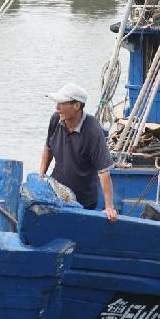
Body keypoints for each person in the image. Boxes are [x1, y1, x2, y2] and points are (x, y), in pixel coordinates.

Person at [40, 83, 118, 222]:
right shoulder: (55, 119)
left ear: (77, 106)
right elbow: (48, 148)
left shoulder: (93, 130)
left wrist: (109, 206)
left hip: (83, 201)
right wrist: (42, 175)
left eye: (62, 104)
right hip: (57, 193)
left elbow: (104, 172)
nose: (57, 108)